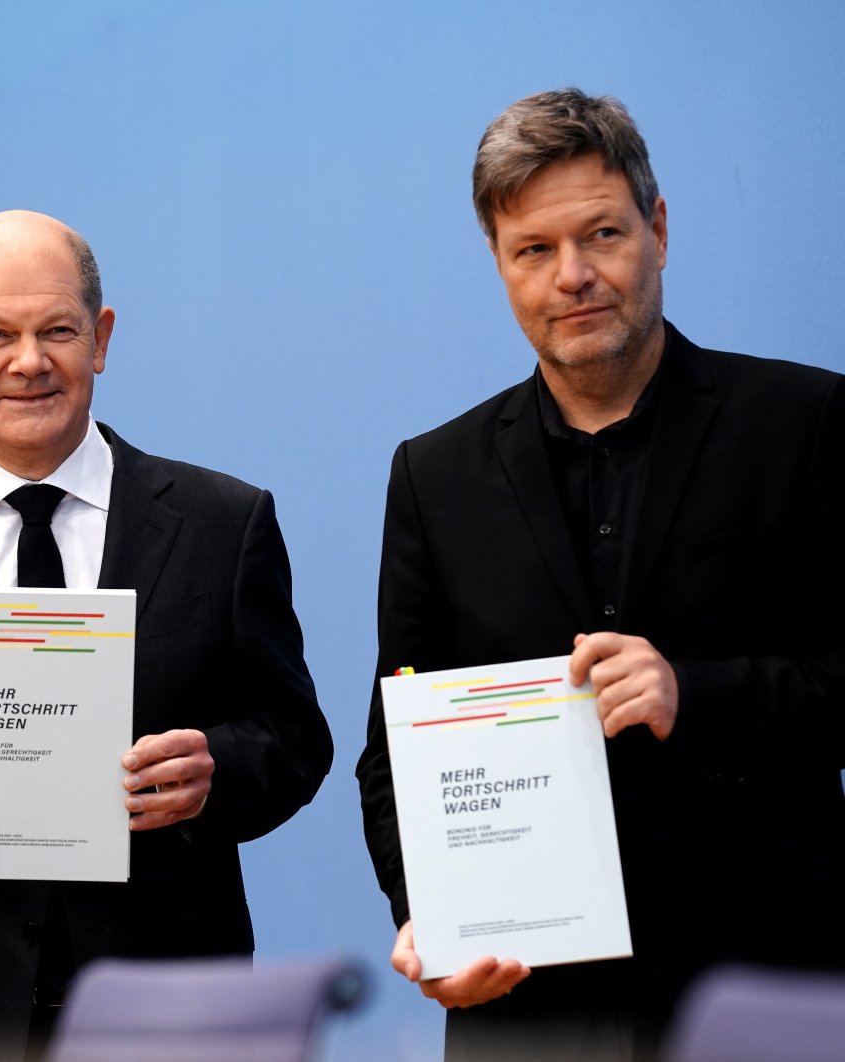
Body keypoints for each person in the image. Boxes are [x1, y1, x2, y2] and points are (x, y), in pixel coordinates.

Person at [356, 88, 845, 1060]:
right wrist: (434, 919)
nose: (571, 276)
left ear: (657, 231)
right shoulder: (433, 474)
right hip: (526, 1013)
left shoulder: (805, 425)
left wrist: (690, 697)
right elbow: (395, 756)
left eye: (602, 234)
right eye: (532, 250)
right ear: (498, 265)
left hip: (762, 999)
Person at [0, 210, 333, 1060]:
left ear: (101, 338)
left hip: (175, 1006)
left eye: (58, 331)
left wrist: (212, 773)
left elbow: (297, 739)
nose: (30, 361)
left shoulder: (222, 522)